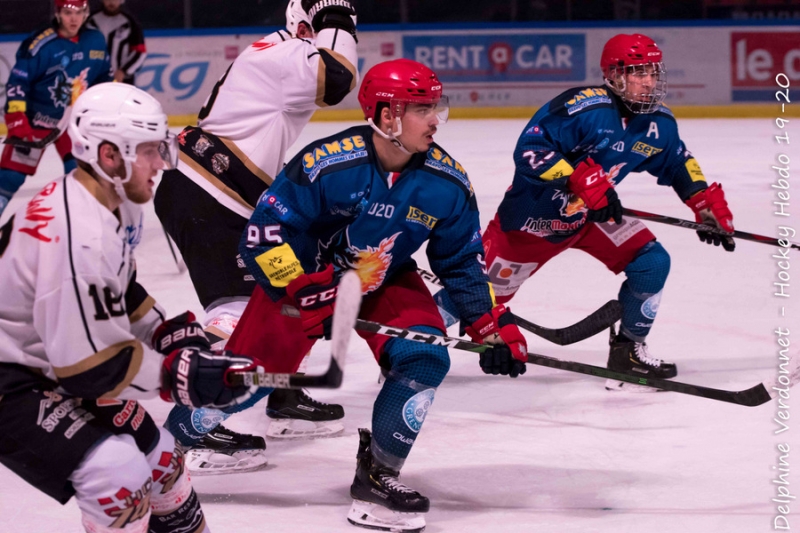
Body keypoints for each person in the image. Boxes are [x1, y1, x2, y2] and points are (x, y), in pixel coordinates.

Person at [225, 58, 530, 533]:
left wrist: (490, 325)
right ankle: (183, 433)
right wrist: (299, 289)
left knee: (425, 358)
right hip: (306, 284)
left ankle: (378, 474)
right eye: (421, 108)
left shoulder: (447, 184)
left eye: (436, 106)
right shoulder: (327, 164)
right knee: (237, 388)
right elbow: (264, 233)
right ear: (387, 116)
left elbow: (460, 264)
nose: (436, 119)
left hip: (381, 279)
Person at [0, 82, 261, 532]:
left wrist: (167, 331)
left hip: (41, 359)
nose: (161, 162)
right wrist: (178, 376)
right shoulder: (77, 236)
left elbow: (121, 288)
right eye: (148, 150)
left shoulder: (107, 199)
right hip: (12, 380)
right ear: (108, 155)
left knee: (161, 458)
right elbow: (88, 369)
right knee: (116, 471)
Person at [435, 33, 735, 391]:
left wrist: (703, 202)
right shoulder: (583, 108)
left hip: (591, 219)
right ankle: (409, 345)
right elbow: (530, 149)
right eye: (638, 72)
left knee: (652, 262)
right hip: (531, 225)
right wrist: (580, 179)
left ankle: (628, 352)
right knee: (471, 294)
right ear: (614, 75)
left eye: (653, 72)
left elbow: (677, 161)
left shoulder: (658, 123)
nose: (649, 81)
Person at [153, 0, 359, 474]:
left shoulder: (281, 53)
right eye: (320, 24)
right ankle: (192, 423)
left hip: (222, 197)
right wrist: (336, 18)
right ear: (303, 22)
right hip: (209, 196)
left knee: (286, 294)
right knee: (237, 311)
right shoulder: (284, 57)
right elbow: (338, 80)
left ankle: (281, 395)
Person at [0, 0, 112, 219]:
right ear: (58, 13)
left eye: (80, 12)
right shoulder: (40, 44)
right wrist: (17, 120)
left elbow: (103, 79)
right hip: (35, 122)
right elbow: (17, 83)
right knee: (9, 179)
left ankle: (84, 230)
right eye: (69, 12)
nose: (74, 18)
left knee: (82, 177)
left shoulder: (95, 41)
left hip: (72, 125)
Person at [86, 0, 148, 85]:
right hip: (93, 79)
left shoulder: (130, 22)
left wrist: (123, 71)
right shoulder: (91, 20)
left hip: (122, 82)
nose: (111, 2)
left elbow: (140, 52)